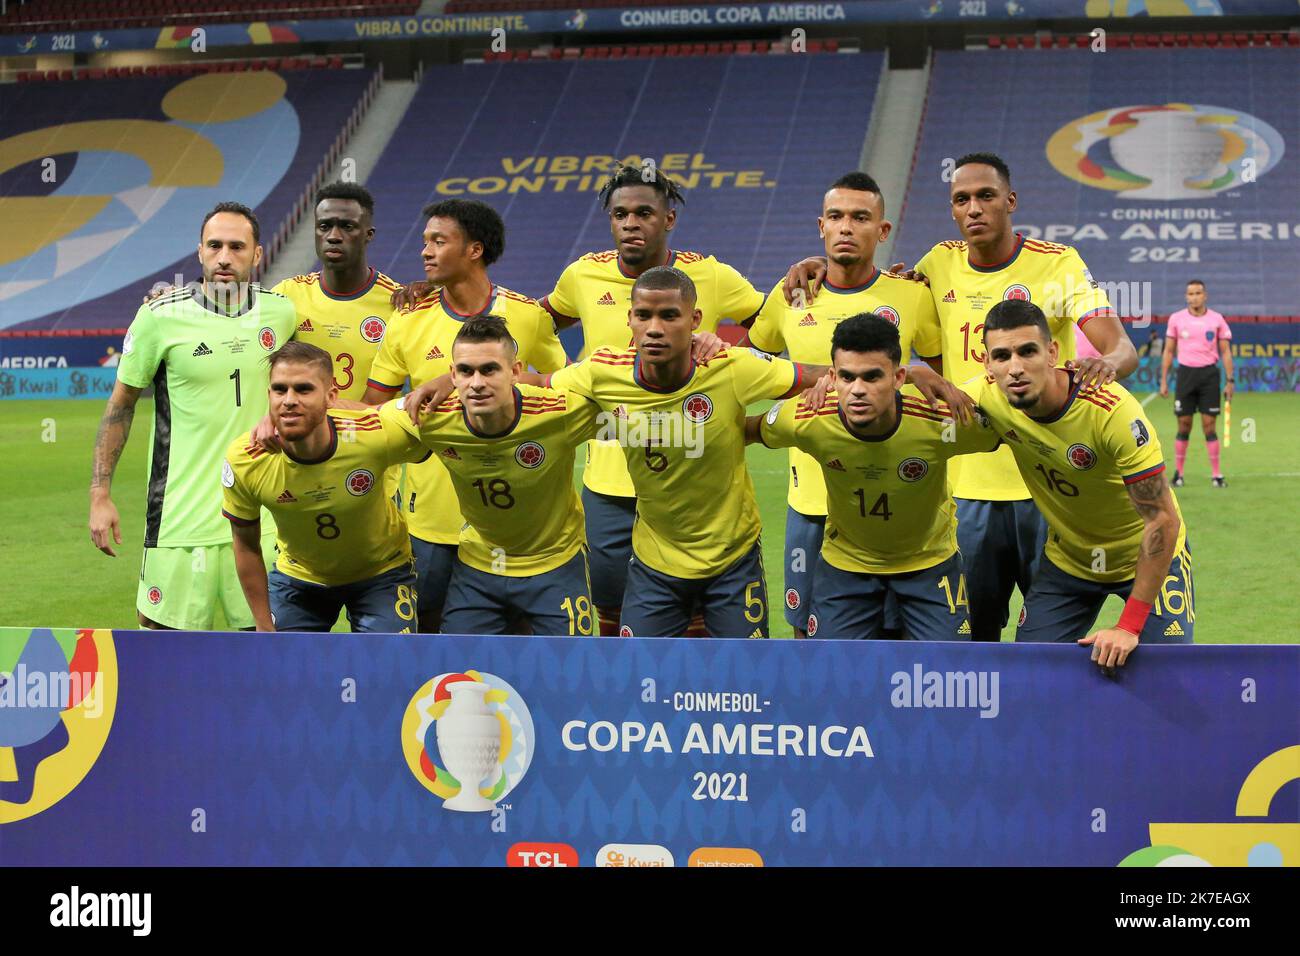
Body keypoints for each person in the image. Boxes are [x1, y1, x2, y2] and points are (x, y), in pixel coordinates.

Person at [785, 152, 1138, 642]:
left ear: (1010, 201)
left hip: (1043, 481)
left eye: (986, 196)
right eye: (961, 199)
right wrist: (820, 262)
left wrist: (1108, 364)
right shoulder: (939, 264)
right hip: (965, 483)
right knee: (973, 640)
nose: (973, 208)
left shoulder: (1058, 265)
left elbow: (1120, 347)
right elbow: (876, 295)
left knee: (1047, 641)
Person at [535, 266, 828, 638]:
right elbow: (536, 383)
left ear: (695, 320)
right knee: (640, 676)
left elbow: (821, 375)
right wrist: (453, 379)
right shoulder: (602, 372)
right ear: (630, 319)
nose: (654, 328)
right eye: (643, 315)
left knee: (744, 682)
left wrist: (906, 374)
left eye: (669, 315)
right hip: (655, 561)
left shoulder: (730, 367)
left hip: (732, 560)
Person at [539, 164, 768, 636]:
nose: (630, 223)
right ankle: (631, 704)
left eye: (644, 212)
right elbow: (531, 321)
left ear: (669, 220)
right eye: (619, 214)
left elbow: (773, 324)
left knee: (699, 614)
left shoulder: (711, 274)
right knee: (613, 612)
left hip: (692, 475)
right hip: (611, 478)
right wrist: (453, 297)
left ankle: (697, 703)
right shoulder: (583, 275)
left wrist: (728, 354)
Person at [747, 171, 941, 637]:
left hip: (896, 498)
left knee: (899, 641)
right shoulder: (792, 293)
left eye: (860, 217)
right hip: (811, 498)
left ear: (883, 230)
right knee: (806, 636)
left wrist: (911, 375)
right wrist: (798, 387)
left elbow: (943, 376)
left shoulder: (912, 295)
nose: (846, 227)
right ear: (821, 226)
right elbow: (754, 363)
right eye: (836, 217)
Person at [360, 199, 567, 632]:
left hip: (518, 522)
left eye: (439, 240)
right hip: (430, 517)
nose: (425, 251)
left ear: (474, 250)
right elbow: (374, 413)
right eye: (425, 241)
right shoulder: (407, 320)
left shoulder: (527, 317)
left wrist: (455, 382)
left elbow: (562, 392)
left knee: (520, 644)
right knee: (431, 639)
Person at [89, 201, 297, 629]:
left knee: (272, 660)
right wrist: (100, 494)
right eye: (214, 245)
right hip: (178, 525)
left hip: (264, 523)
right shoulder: (159, 316)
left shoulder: (282, 314)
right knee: (165, 661)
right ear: (199, 252)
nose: (224, 257)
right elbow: (121, 405)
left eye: (237, 247)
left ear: (257, 254)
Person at [966, 300, 1192, 665]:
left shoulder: (1112, 412)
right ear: (987, 364)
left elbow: (1162, 520)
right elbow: (912, 414)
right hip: (1070, 561)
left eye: (1028, 351)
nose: (1016, 368)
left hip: (1147, 557)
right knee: (1033, 670)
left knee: (1165, 675)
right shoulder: (988, 398)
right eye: (1002, 356)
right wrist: (917, 376)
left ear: (1053, 351)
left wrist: (1128, 626)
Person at [747, 314, 997, 639]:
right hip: (846, 565)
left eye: (872, 377)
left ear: (898, 377)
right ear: (832, 377)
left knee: (945, 677)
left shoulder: (940, 423)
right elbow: (743, 430)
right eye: (847, 377)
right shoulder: (808, 417)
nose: (858, 391)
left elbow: (1007, 431)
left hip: (930, 563)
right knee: (832, 675)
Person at [385, 316, 602, 635]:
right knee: (461, 675)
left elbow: (635, 399)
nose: (476, 383)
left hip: (556, 565)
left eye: (489, 370)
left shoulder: (561, 412)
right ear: (452, 375)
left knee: (569, 677)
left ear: (515, 372)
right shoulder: (430, 417)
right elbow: (360, 423)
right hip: (478, 565)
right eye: (465, 371)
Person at [221, 342, 429, 632]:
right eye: (280, 390)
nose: (289, 400)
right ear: (269, 396)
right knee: (284, 671)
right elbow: (244, 544)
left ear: (331, 396)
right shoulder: (246, 458)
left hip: (382, 572)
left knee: (389, 667)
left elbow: (438, 422)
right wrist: (262, 624)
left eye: (304, 390)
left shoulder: (374, 433)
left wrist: (446, 380)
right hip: (298, 576)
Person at [1160, 280, 1233, 488]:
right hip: (1186, 375)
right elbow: (1168, 350)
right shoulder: (1176, 319)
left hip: (1209, 375)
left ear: (1205, 295)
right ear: (1186, 297)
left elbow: (1226, 351)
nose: (1194, 297)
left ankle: (1216, 475)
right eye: (1191, 293)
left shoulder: (1217, 319)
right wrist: (1164, 379)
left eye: (1198, 293)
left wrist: (1230, 380)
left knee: (1209, 426)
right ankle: (1179, 474)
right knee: (1184, 424)